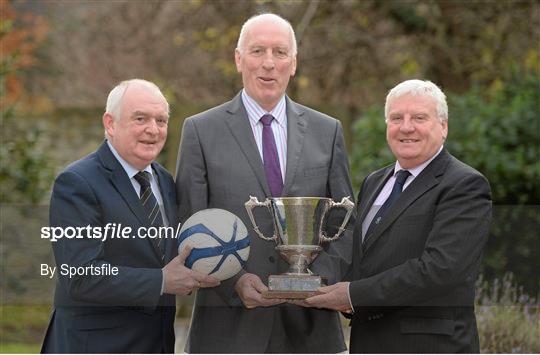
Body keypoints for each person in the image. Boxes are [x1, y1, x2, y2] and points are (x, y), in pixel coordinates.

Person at [175, 13, 354, 353]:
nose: (269, 64)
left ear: (294, 63)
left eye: (280, 52)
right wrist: (235, 281)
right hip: (227, 330)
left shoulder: (327, 131)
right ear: (239, 60)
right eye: (257, 51)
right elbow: (190, 223)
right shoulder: (200, 131)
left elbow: (345, 221)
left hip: (311, 331)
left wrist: (316, 281)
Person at [304, 79, 492, 353]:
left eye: (419, 117)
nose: (406, 127)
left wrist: (352, 294)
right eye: (396, 118)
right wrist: (303, 280)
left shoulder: (464, 185)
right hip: (369, 344)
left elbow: (439, 269)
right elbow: (364, 260)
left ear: (443, 127)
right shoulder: (374, 182)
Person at [41, 79, 219, 353]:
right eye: (140, 119)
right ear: (110, 123)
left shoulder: (164, 180)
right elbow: (79, 276)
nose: (153, 130)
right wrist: (161, 281)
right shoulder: (77, 182)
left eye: (161, 121)